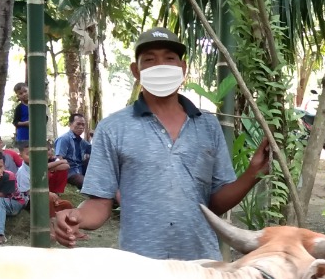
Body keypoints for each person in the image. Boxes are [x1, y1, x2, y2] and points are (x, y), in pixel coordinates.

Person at [52, 27, 269, 260]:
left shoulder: (208, 125)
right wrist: (76, 217)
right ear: (136, 70)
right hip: (141, 267)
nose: (160, 65)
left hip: (202, 265)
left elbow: (215, 204)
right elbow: (100, 203)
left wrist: (253, 172)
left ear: (182, 68)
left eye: (169, 58)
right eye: (149, 59)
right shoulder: (113, 128)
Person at [54, 113, 91, 189]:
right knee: (87, 184)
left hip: (81, 170)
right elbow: (58, 159)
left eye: (83, 125)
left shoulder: (82, 142)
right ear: (70, 124)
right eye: (78, 124)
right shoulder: (64, 139)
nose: (81, 127)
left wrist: (96, 136)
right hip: (70, 172)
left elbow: (97, 151)